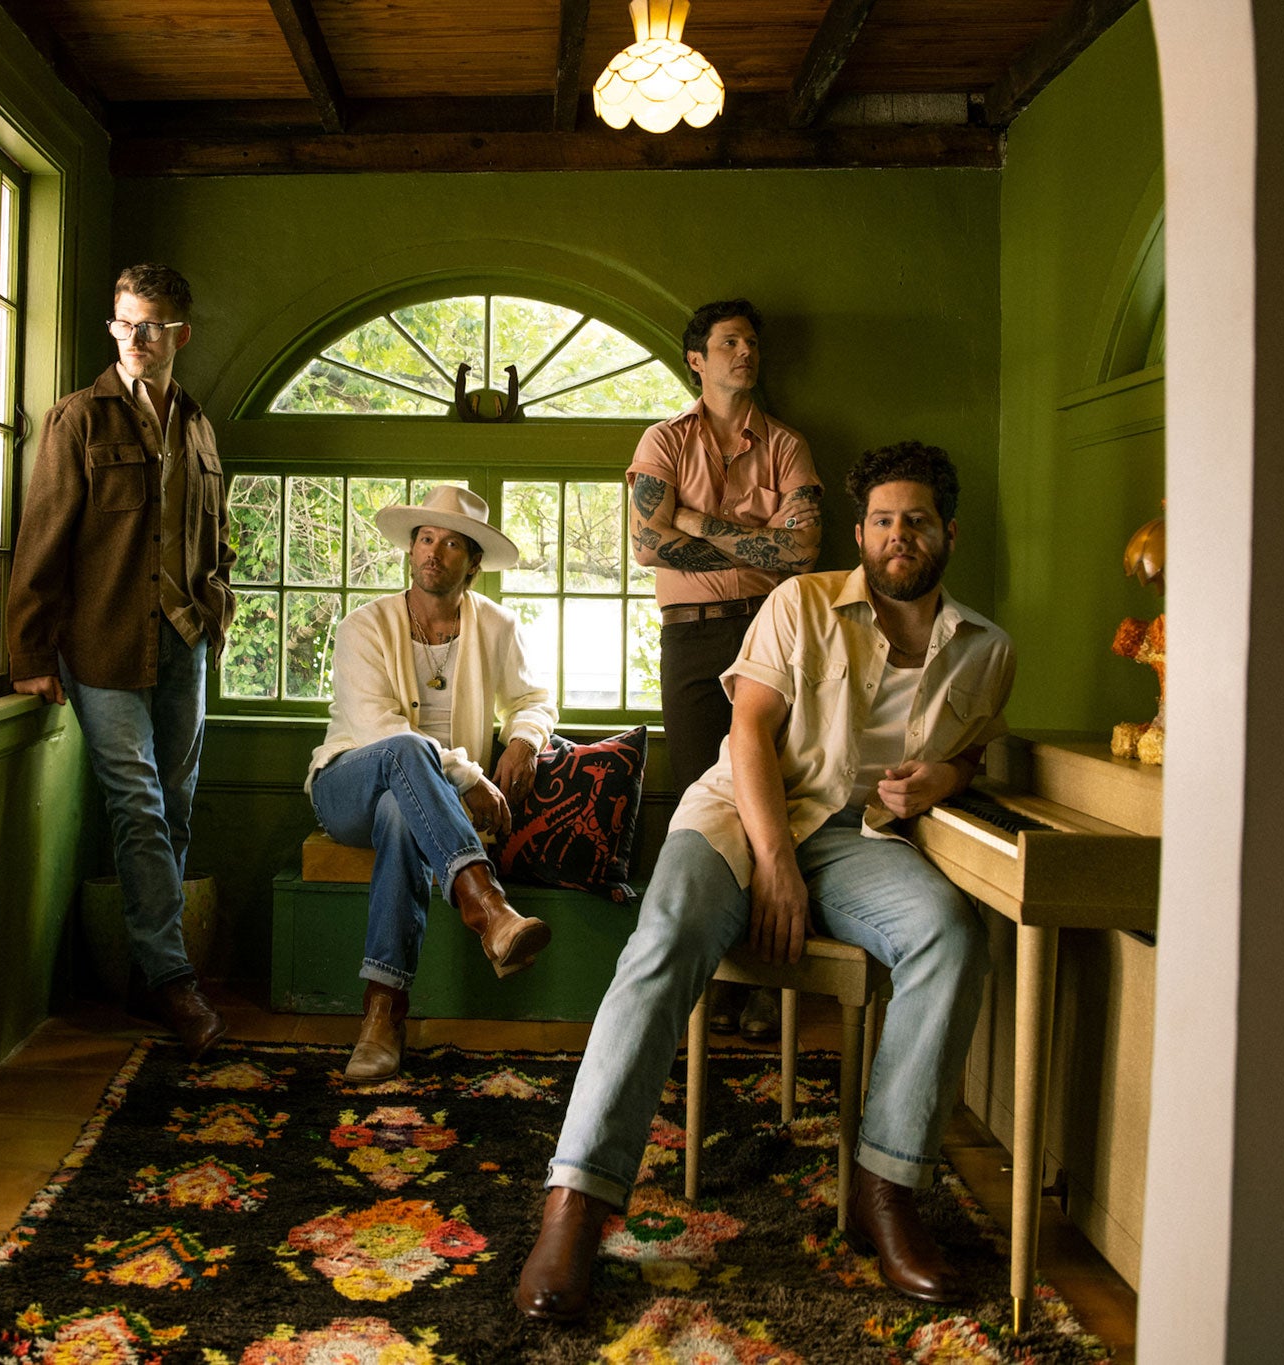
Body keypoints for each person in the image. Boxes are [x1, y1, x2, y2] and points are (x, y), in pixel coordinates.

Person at [517, 441, 1014, 1320]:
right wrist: (774, 862)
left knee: (950, 933)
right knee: (667, 933)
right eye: (883, 520)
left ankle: (886, 1189)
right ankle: (578, 1201)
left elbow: (969, 751)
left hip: (857, 839)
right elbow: (747, 730)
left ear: (949, 533)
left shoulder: (986, 650)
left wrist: (945, 776)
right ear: (860, 533)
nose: (899, 535)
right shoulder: (800, 603)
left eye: (917, 521)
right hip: (740, 815)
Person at [6, 263, 235, 1060]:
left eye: (150, 325)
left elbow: (218, 539)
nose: (134, 337)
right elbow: (41, 538)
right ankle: (173, 979)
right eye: (123, 322)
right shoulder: (76, 419)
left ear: (180, 334)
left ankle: (147, 972)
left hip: (183, 639)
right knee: (137, 804)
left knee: (176, 806)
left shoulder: (199, 427)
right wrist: (31, 650)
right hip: (101, 644)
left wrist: (215, 612)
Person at [306, 484, 558, 1080]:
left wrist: (524, 740)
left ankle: (382, 1014)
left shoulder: (497, 625)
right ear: (411, 548)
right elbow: (378, 729)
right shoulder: (363, 627)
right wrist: (468, 777)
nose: (432, 552)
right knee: (404, 750)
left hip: (417, 805)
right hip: (347, 785)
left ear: (473, 563)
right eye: (424, 539)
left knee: (403, 814)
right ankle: (489, 908)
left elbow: (533, 699)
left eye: (450, 544)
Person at [628, 299, 824, 1044]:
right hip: (692, 637)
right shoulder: (664, 441)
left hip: (774, 632)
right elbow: (647, 544)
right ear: (697, 360)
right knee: (701, 806)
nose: (746, 352)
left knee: (773, 797)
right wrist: (753, 539)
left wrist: (694, 521)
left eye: (752, 341)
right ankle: (711, 977)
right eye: (729, 341)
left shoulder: (787, 445)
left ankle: (767, 981)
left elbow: (801, 551)